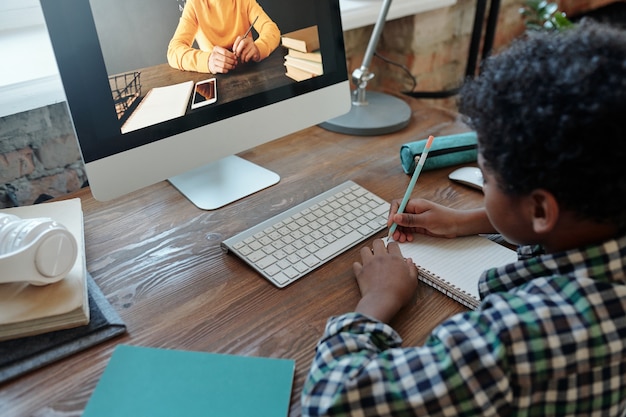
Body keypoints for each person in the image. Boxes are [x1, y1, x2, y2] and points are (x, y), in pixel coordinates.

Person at [301, 20, 626, 416]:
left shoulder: (515, 342)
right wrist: (468, 220)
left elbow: (334, 401)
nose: (484, 186)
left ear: (540, 210)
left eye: (486, 179)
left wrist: (378, 298)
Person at [167, 0, 280, 74]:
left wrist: (259, 48)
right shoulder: (194, 4)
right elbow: (173, 51)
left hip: (250, 73)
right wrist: (207, 61)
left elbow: (271, 30)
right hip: (214, 79)